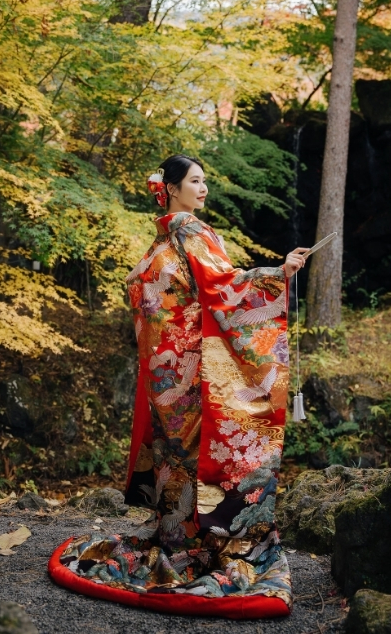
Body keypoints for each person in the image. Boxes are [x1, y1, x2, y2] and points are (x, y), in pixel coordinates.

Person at [48, 155, 315, 618]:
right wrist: (278, 273)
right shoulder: (190, 230)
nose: (204, 188)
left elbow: (143, 288)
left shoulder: (162, 238)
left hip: (164, 369)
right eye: (195, 181)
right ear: (171, 188)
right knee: (190, 450)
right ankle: (200, 548)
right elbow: (223, 286)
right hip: (190, 366)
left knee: (177, 451)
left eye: (206, 180)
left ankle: (177, 540)